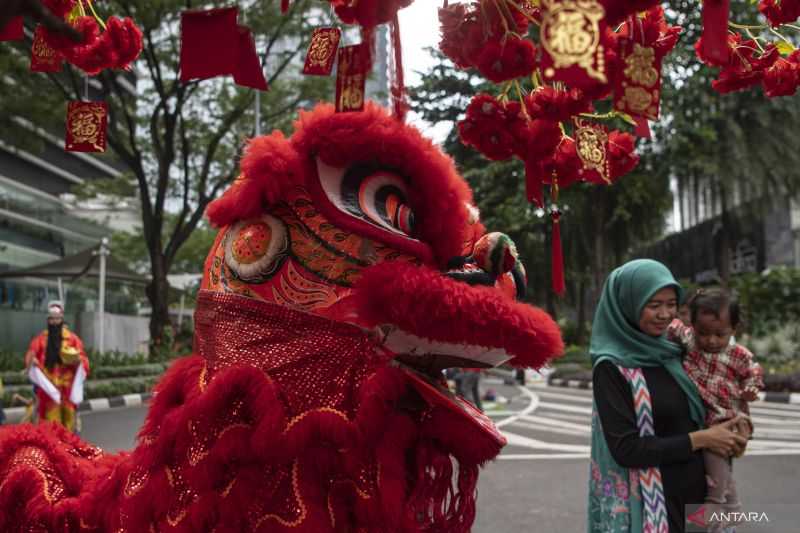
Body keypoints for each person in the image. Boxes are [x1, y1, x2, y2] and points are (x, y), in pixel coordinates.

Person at [587, 259, 749, 533]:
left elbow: (713, 403)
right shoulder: (612, 367)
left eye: (671, 304)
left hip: (700, 496)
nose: (665, 314)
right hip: (654, 504)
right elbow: (627, 450)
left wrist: (736, 434)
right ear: (628, 304)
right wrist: (702, 439)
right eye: (654, 305)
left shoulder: (676, 351)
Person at [667, 288, 764, 531]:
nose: (711, 340)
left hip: (727, 417)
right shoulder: (690, 341)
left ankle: (715, 501)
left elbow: (753, 373)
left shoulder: (738, 355)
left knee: (715, 455)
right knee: (720, 466)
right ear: (693, 325)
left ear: (734, 328)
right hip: (706, 415)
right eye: (704, 333)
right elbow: (673, 326)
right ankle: (732, 507)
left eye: (720, 334)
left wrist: (751, 389)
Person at [24, 300, 89, 432]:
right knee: (50, 425)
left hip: (67, 389)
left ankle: (68, 448)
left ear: (62, 319)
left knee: (68, 424)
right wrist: (32, 361)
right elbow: (30, 355)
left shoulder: (72, 339)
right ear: (48, 320)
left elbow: (84, 358)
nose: (54, 322)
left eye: (57, 319)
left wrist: (78, 360)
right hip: (48, 389)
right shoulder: (41, 339)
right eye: (52, 319)